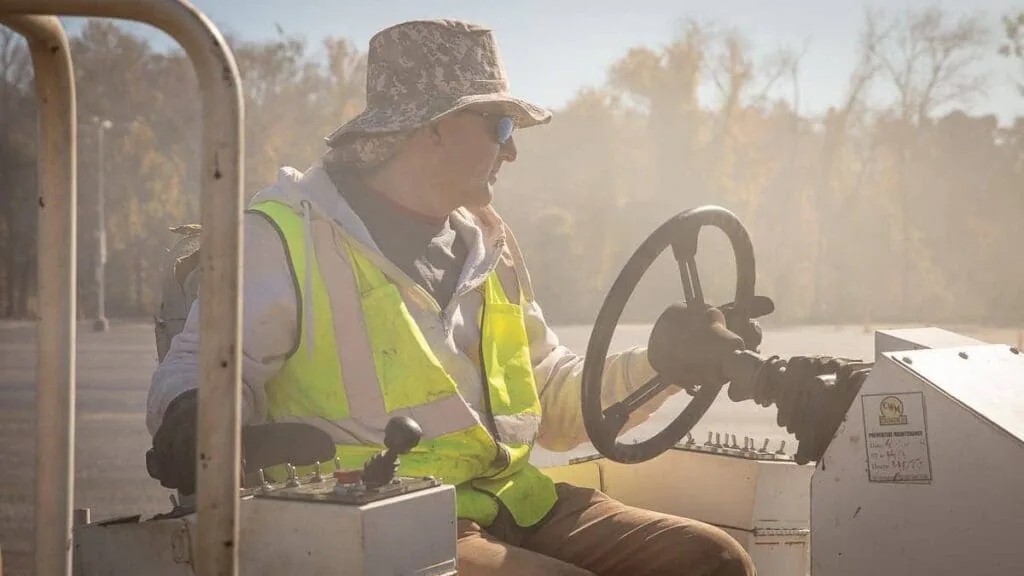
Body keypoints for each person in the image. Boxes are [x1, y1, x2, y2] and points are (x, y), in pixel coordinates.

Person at [147, 19, 861, 576]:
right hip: (377, 525)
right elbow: (199, 375)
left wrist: (668, 360)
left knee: (713, 564)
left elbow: (553, 403)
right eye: (501, 126)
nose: (511, 150)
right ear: (433, 126)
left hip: (519, 503)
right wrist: (195, 423)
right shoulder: (287, 236)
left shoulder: (489, 245)